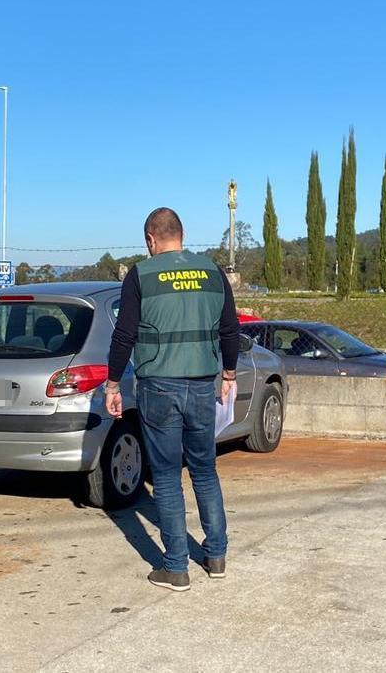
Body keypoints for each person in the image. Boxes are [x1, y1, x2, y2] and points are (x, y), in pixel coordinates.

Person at [105, 207, 240, 592]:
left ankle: (175, 567)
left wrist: (112, 384)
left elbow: (124, 335)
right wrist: (228, 375)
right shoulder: (213, 271)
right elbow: (230, 330)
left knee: (165, 476)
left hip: (158, 387)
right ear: (180, 234)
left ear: (151, 239)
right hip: (202, 385)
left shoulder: (141, 275)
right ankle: (216, 557)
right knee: (205, 470)